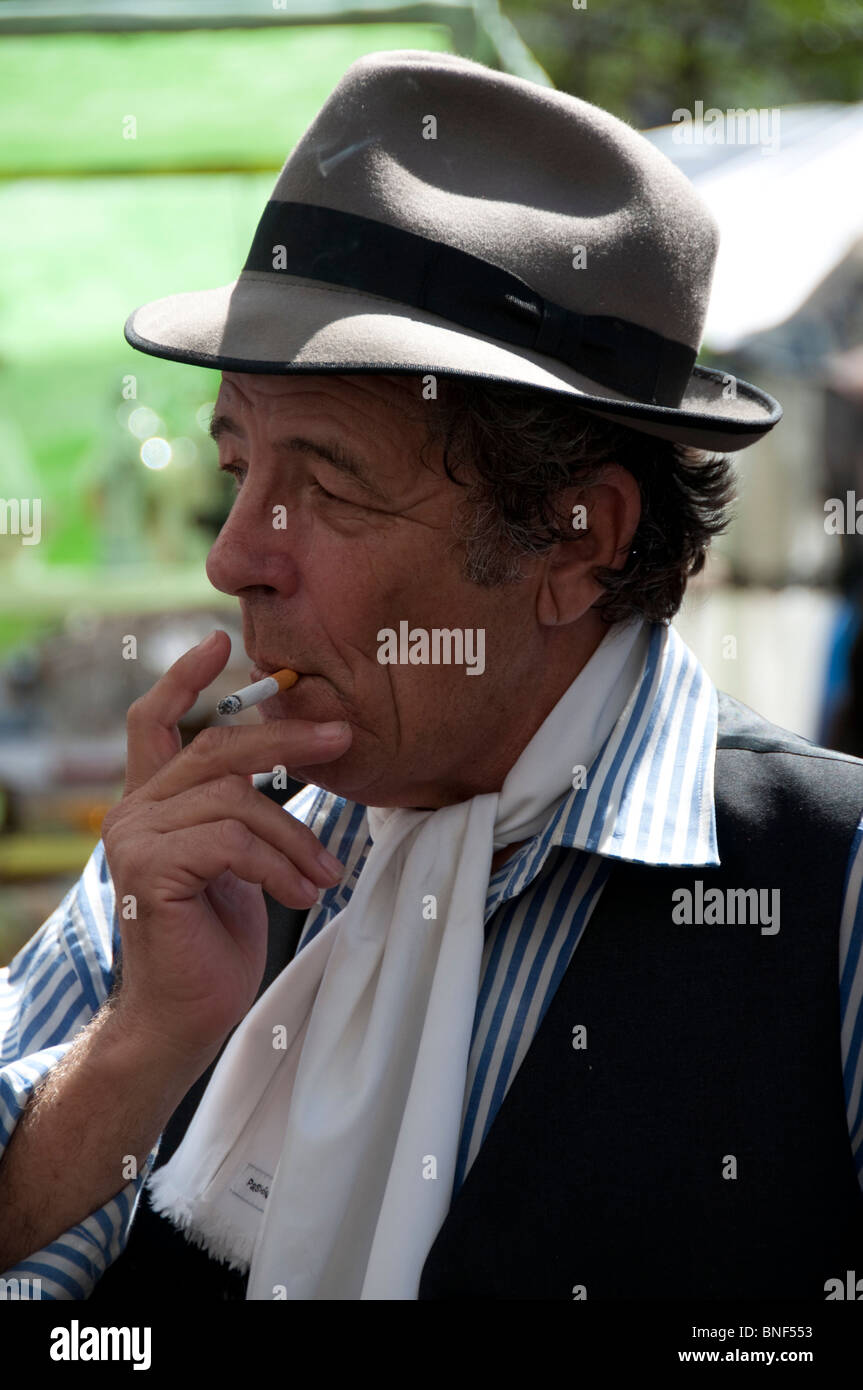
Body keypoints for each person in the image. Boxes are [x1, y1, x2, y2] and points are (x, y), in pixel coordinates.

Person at [1, 49, 862, 1302]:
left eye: (329, 484)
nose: (236, 555)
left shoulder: (831, 899)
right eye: (237, 465)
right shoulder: (204, 842)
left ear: (577, 541)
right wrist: (140, 1046)